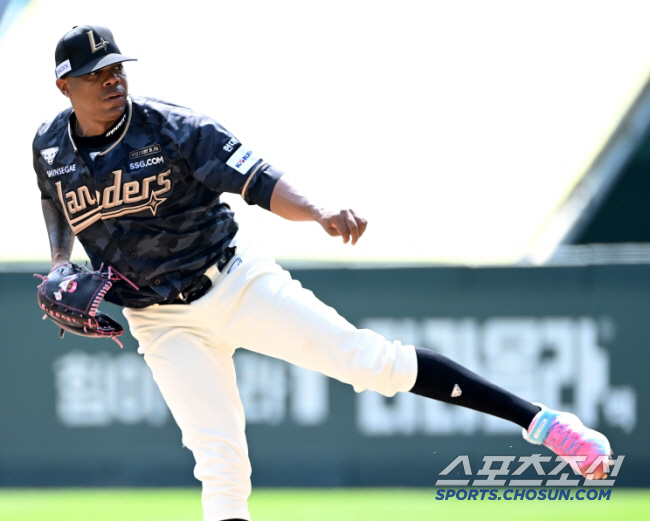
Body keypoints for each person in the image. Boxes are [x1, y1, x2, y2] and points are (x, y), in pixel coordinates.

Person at [34, 25, 612, 521]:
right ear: (66, 87)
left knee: (371, 363)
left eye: (115, 68)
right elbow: (55, 202)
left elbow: (258, 179)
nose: (112, 80)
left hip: (234, 283)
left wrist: (317, 210)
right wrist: (60, 265)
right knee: (218, 461)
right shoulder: (49, 145)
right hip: (159, 321)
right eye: (95, 73)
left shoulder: (173, 128)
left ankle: (544, 424)